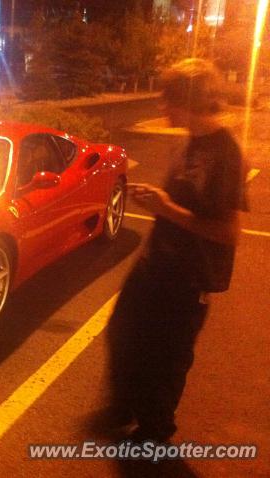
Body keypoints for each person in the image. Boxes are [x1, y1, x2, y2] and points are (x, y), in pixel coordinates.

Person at [103, 58, 248, 442]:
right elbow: (179, 204)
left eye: (168, 100)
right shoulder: (191, 141)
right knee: (122, 331)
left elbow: (227, 232)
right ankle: (123, 406)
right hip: (156, 264)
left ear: (190, 102)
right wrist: (159, 204)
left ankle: (154, 430)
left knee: (167, 356)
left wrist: (166, 208)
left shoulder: (226, 153)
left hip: (188, 279)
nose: (161, 108)